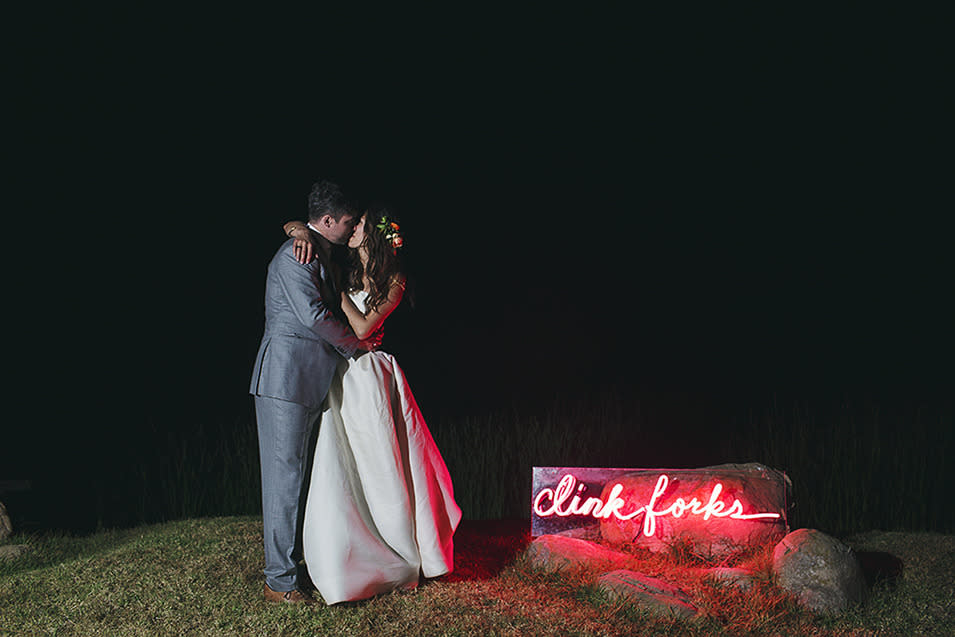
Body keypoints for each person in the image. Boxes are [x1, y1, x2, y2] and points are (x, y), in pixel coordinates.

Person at [283, 208, 461, 605]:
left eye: (359, 223)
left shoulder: (394, 281)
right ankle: (343, 555)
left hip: (370, 375)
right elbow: (293, 224)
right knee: (340, 464)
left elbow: (364, 328)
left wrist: (335, 292)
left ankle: (399, 550)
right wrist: (299, 230)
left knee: (380, 463)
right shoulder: (342, 267)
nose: (352, 227)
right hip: (340, 373)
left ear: (373, 235)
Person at [250, 180, 377, 605]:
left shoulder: (317, 250)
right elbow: (313, 315)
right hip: (284, 381)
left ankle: (292, 562)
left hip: (309, 380)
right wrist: (355, 345)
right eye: (345, 222)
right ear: (326, 221)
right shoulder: (294, 255)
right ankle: (278, 583)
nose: (349, 227)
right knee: (283, 480)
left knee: (303, 479)